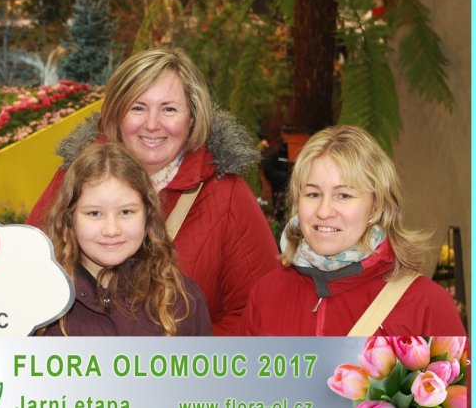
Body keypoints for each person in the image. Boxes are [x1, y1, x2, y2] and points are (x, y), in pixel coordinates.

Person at [27, 47, 279, 335]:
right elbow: (24, 284)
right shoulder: (74, 179)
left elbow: (259, 311)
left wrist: (182, 353)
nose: (152, 124)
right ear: (116, 114)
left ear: (192, 118)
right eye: (138, 108)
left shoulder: (227, 195)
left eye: (169, 109)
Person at [240, 125, 467, 336]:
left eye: (344, 195)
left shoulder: (425, 307)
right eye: (313, 194)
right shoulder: (265, 296)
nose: (324, 211)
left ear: (376, 206)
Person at [39, 142, 211, 336]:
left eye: (126, 212)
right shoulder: (40, 303)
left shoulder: (182, 301)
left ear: (148, 214)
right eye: (94, 213)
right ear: (69, 218)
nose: (112, 230)